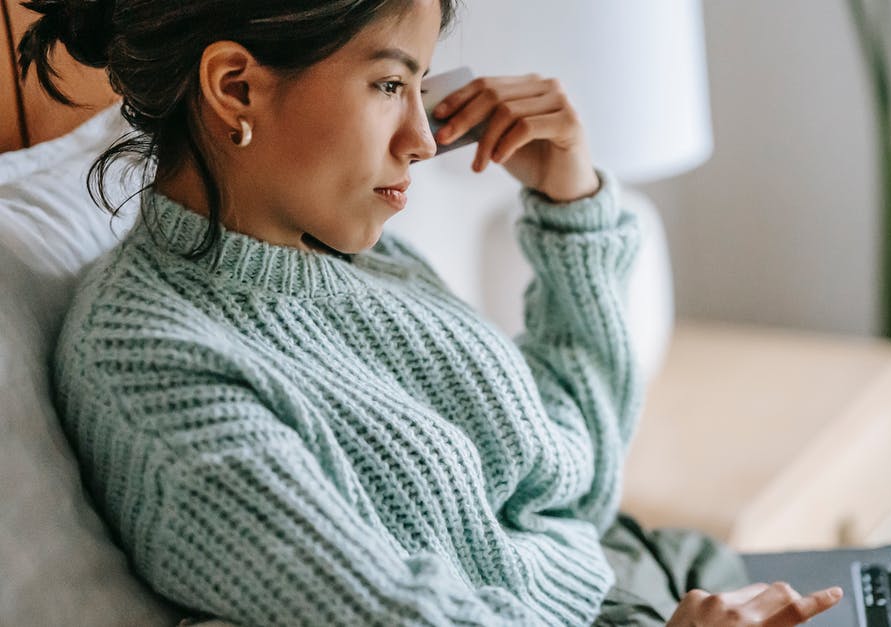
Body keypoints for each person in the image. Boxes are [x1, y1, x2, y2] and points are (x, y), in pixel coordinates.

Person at [19, 0, 843, 625]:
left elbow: (572, 482)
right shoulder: (149, 361)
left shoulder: (352, 255)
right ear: (236, 86)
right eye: (387, 84)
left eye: (419, 84)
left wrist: (571, 206)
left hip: (646, 572)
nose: (419, 136)